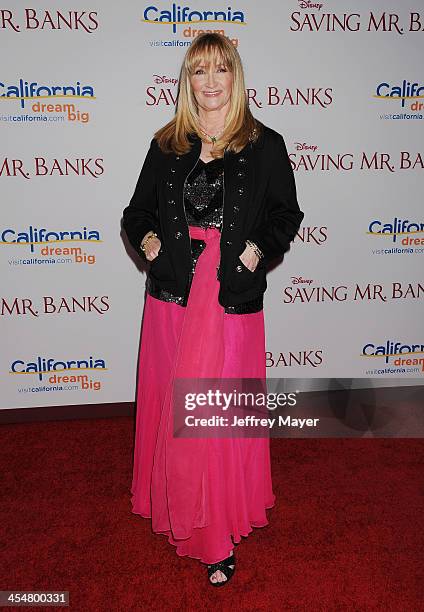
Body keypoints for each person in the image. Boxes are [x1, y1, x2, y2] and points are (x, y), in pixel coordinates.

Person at [122, 32, 304, 586]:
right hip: (172, 300)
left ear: (235, 76)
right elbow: (135, 212)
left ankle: (214, 528)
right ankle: (181, 508)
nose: (209, 83)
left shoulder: (265, 144)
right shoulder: (166, 144)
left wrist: (254, 250)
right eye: (198, 71)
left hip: (229, 300)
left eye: (219, 70)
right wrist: (150, 240)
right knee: (175, 411)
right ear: (187, 80)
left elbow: (285, 215)